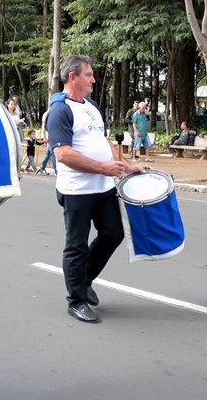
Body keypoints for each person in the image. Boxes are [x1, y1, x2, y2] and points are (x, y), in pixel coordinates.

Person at [48, 54, 146, 323]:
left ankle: (84, 279)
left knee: (114, 233)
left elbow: (104, 142)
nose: (93, 80)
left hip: (103, 188)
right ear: (73, 77)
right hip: (76, 191)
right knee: (76, 245)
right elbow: (63, 154)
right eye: (89, 75)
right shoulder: (60, 110)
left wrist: (126, 166)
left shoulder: (91, 106)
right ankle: (76, 301)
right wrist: (103, 168)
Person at [37, 107, 58, 175]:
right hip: (49, 136)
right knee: (53, 153)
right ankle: (56, 170)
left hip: (53, 136)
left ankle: (42, 168)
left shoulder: (55, 112)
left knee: (48, 153)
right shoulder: (47, 114)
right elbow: (43, 126)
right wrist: (44, 137)